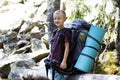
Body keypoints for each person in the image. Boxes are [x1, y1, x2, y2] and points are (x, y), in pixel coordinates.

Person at [48, 10, 71, 80]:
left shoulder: (66, 32)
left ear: (65, 19)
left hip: (60, 62)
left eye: (59, 18)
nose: (56, 20)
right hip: (53, 61)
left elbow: (67, 48)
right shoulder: (56, 32)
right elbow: (54, 45)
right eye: (55, 18)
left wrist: (64, 61)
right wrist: (50, 54)